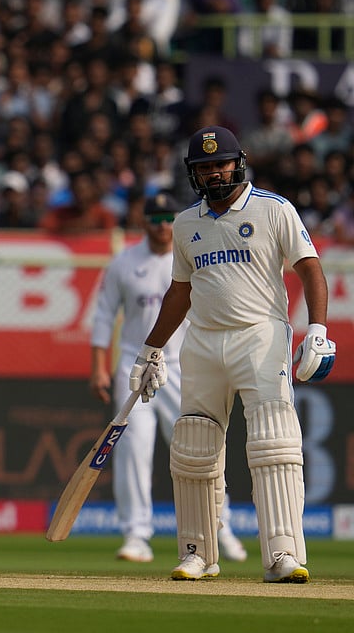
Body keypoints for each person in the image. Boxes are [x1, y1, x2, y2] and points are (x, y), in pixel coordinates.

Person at [131, 125, 334, 584]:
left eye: (220, 163)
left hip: (260, 336)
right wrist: (150, 350)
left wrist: (317, 330)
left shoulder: (274, 209)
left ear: (237, 163)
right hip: (203, 341)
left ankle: (282, 554)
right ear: (193, 174)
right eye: (204, 167)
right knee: (193, 447)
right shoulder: (185, 223)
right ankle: (197, 552)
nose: (214, 173)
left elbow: (311, 270)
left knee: (273, 442)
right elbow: (178, 293)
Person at [90, 191, 247, 564]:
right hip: (137, 368)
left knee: (199, 452)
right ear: (144, 222)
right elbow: (103, 316)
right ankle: (136, 535)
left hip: (182, 366)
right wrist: (99, 366)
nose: (163, 226)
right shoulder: (124, 263)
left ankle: (218, 529)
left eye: (168, 218)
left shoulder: (193, 253)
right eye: (155, 219)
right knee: (133, 450)